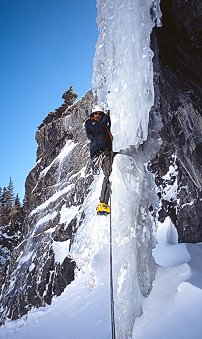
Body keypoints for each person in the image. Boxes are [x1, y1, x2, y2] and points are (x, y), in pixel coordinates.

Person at [85, 104, 113, 214]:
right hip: (101, 153)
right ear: (92, 115)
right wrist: (106, 117)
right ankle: (103, 203)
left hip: (107, 151)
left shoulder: (103, 127)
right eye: (95, 113)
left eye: (100, 114)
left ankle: (105, 201)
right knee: (108, 174)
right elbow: (97, 129)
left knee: (111, 173)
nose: (98, 115)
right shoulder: (90, 123)